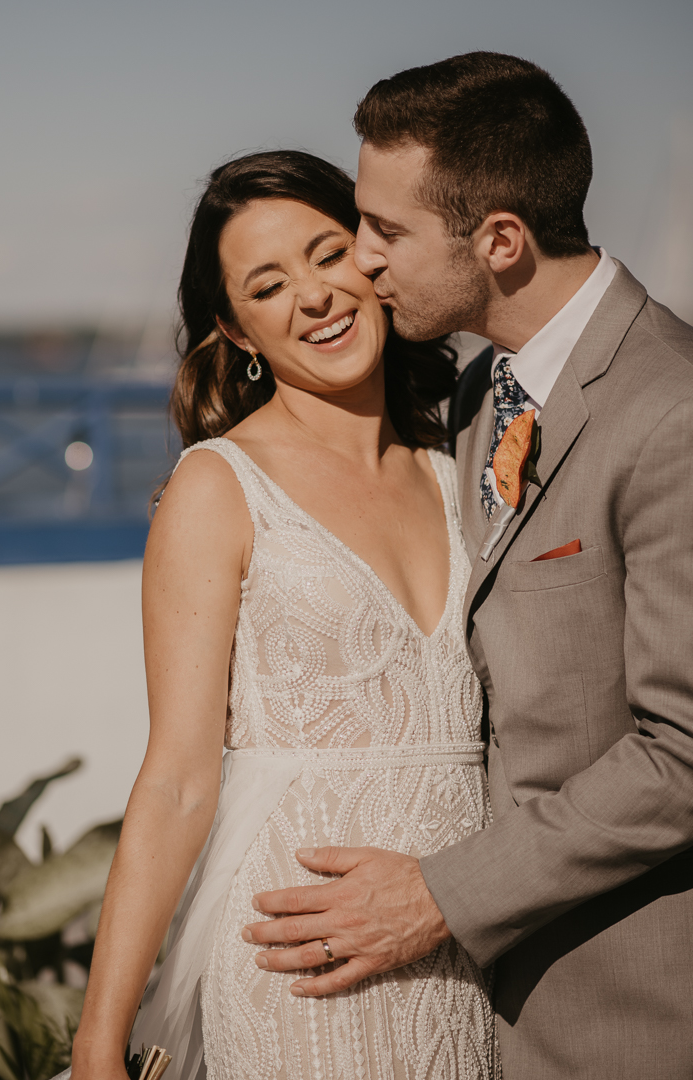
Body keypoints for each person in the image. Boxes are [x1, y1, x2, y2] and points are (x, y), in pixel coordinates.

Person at [244, 54, 693, 1079]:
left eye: (385, 232)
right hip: (461, 1017)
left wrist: (440, 893)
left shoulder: (668, 413)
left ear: (497, 241)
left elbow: (680, 751)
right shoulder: (476, 394)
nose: (360, 261)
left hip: (627, 1019)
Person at [66, 149, 499, 1080]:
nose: (315, 296)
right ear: (238, 330)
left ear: (375, 261)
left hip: (468, 948)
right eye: (269, 285)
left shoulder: (458, 465)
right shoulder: (220, 486)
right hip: (301, 960)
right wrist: (99, 1047)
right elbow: (178, 780)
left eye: (328, 253)